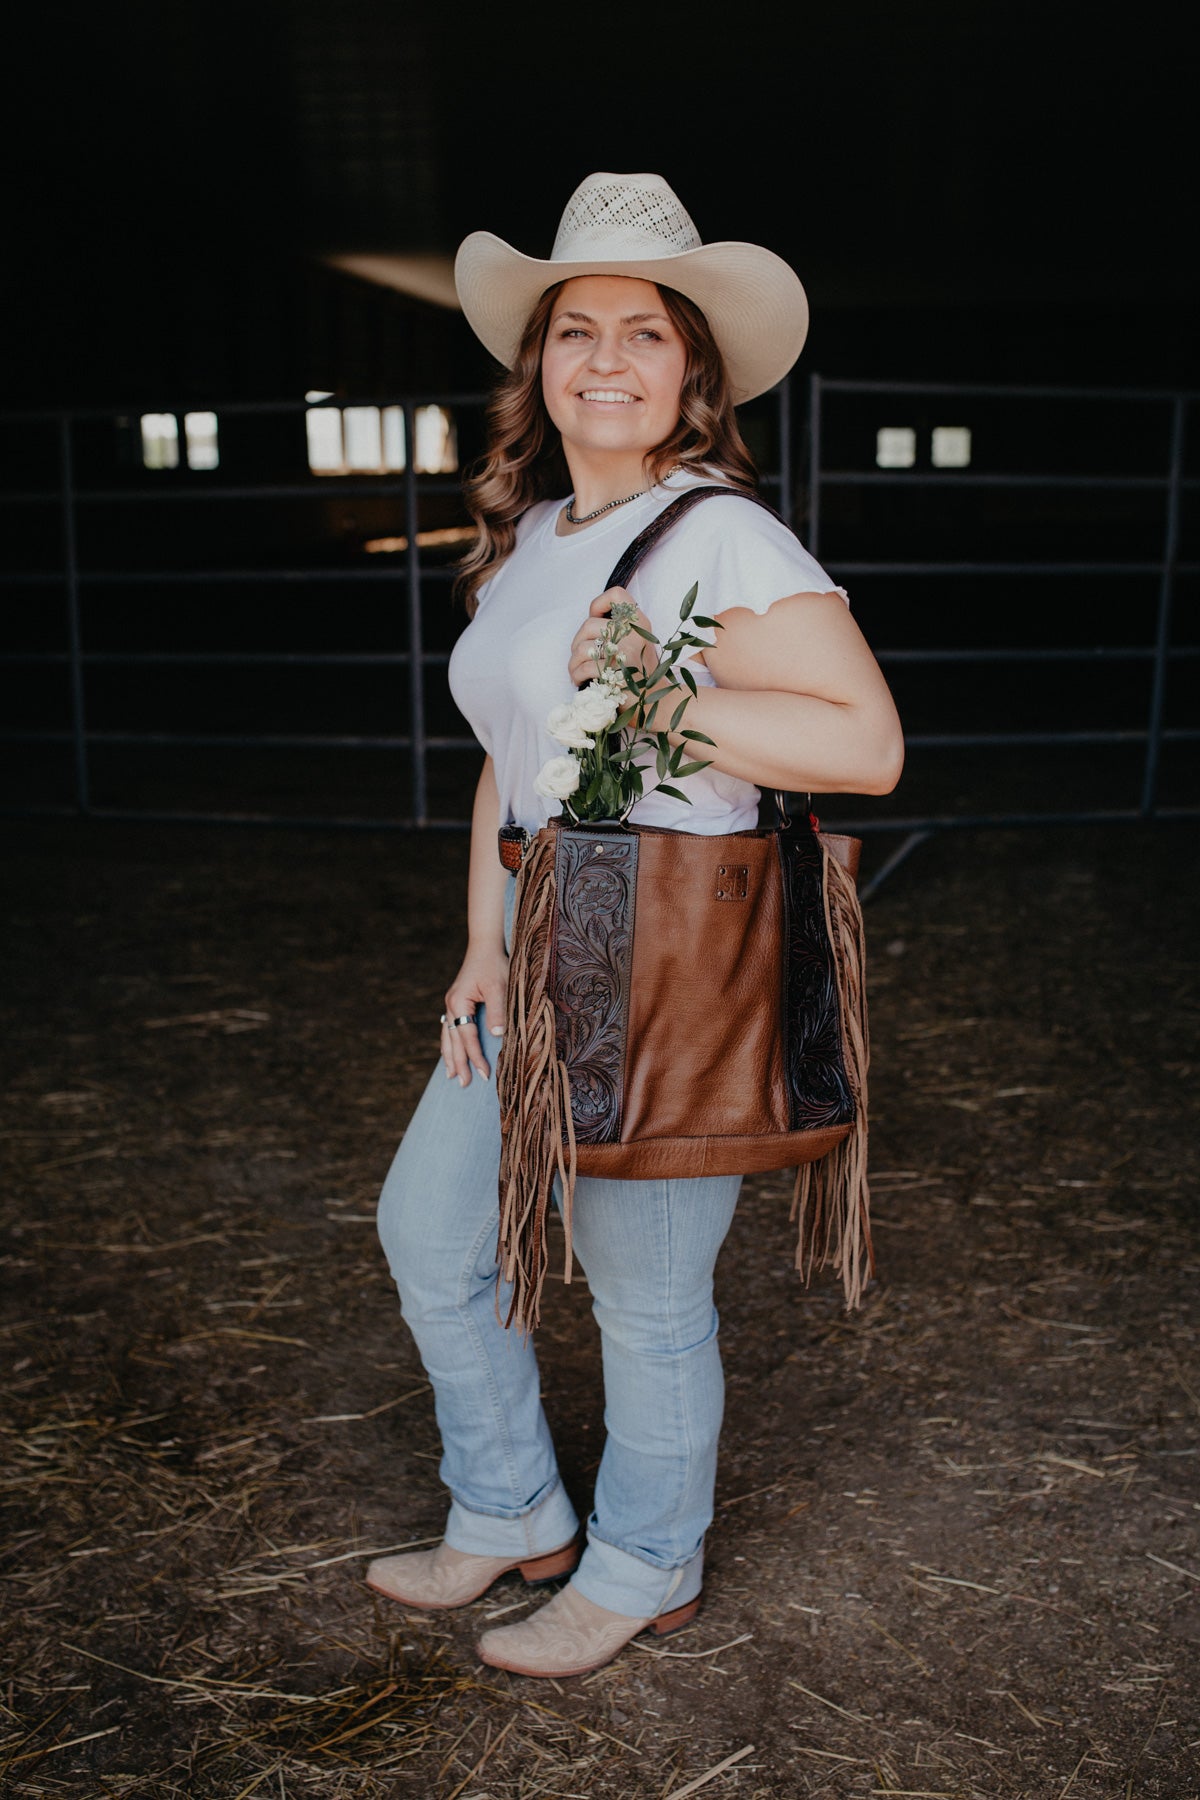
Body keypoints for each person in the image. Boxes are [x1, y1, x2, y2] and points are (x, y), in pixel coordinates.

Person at [369, 172, 903, 1679]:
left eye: (644, 335)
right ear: (539, 367)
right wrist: (480, 948)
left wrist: (671, 700)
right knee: (432, 1232)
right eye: (574, 331)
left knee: (645, 1290)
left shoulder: (722, 540)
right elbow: (510, 765)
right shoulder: (537, 536)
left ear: (693, 373)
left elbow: (866, 747)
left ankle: (644, 1564)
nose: (605, 359)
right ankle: (513, 1509)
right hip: (534, 946)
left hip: (670, 953)